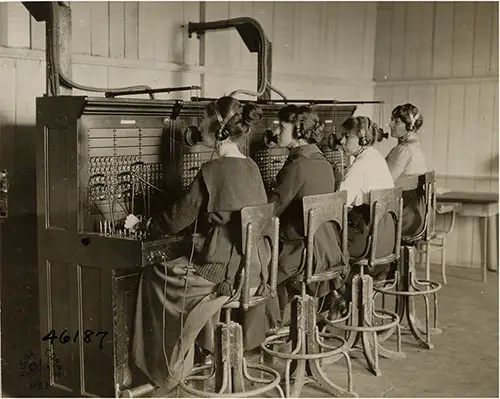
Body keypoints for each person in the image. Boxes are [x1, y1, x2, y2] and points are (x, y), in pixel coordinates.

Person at [124, 96, 269, 394]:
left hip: (223, 276)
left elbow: (177, 219)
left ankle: (165, 371)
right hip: (255, 270)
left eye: (203, 123)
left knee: (155, 275)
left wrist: (143, 225)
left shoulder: (212, 170)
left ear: (219, 131)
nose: (198, 128)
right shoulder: (252, 166)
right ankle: (198, 353)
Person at [266, 105, 346, 325]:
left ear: (299, 131)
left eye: (282, 127)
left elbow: (272, 210)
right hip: (327, 249)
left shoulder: (298, 165)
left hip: (301, 253)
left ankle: (271, 329)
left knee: (256, 264)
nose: (277, 132)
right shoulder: (324, 163)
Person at [385, 103, 427, 236]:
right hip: (416, 215)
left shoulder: (403, 150)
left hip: (404, 217)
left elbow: (383, 183)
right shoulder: (415, 148)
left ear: (409, 126)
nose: (390, 125)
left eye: (396, 121)